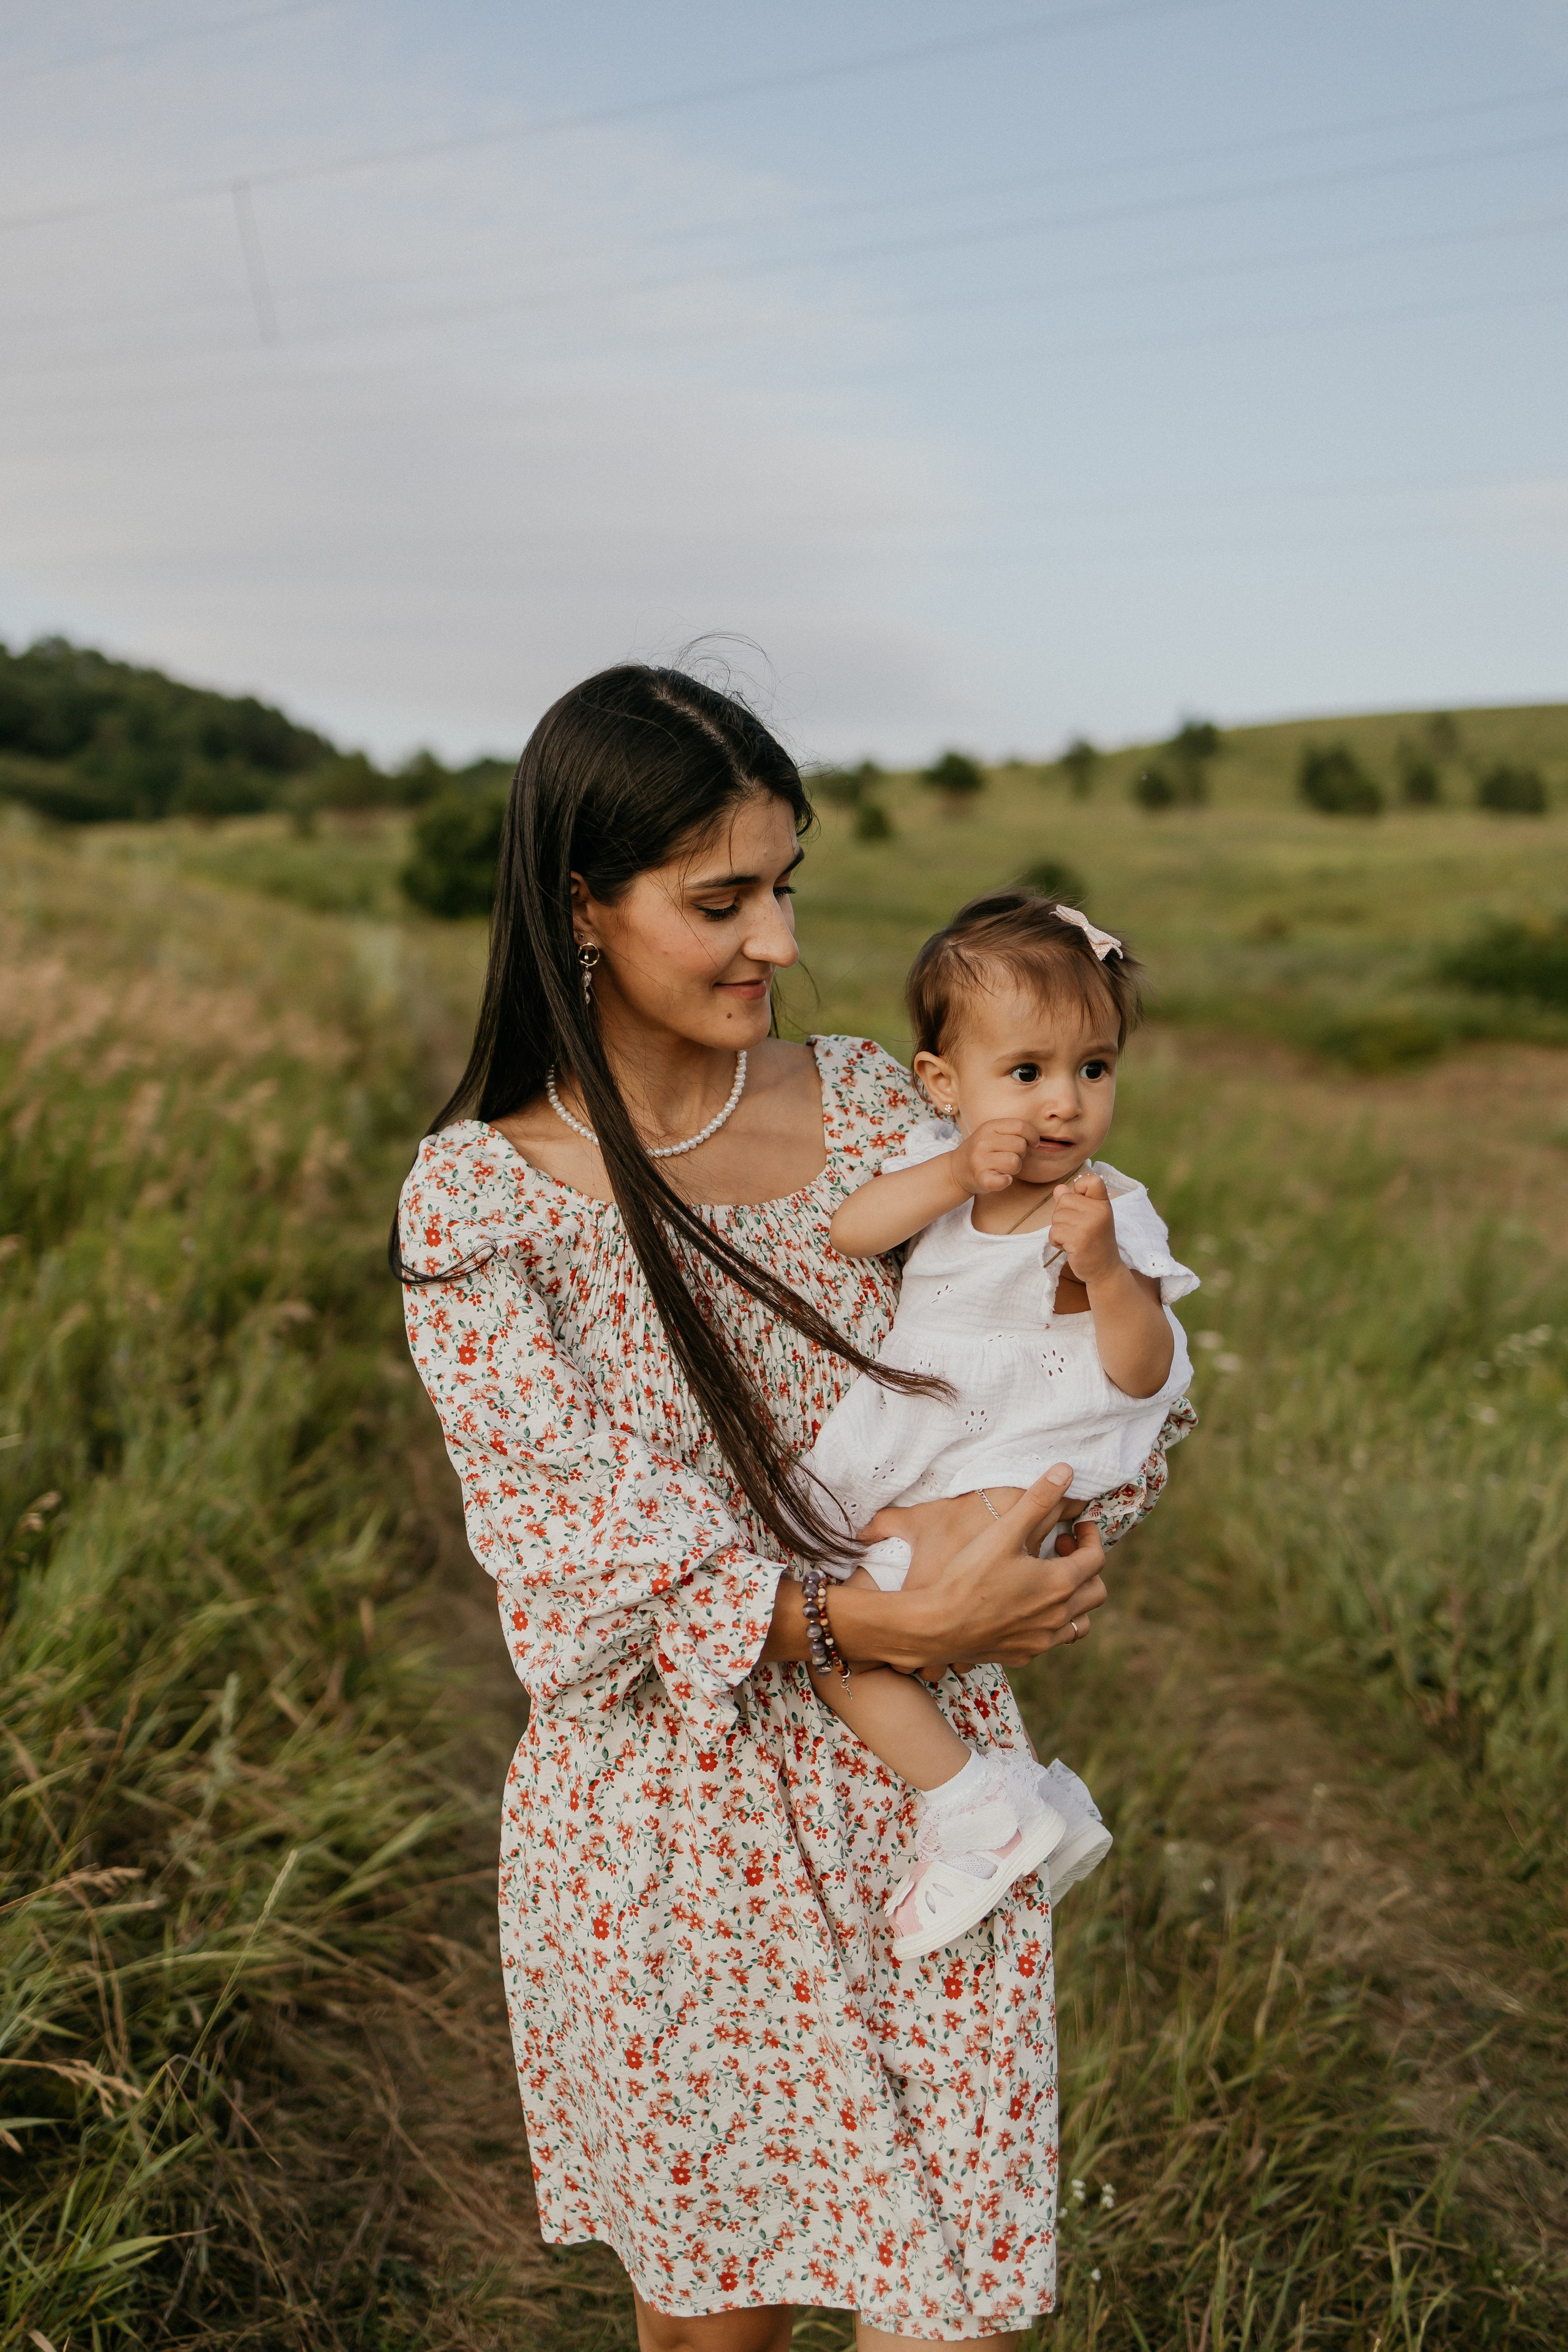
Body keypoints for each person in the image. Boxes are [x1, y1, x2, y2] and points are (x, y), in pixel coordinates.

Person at [396, 665, 1123, 2352]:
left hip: (927, 1796)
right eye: (720, 899)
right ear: (580, 905)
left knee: (957, 2306)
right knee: (718, 2322)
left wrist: (1052, 1523)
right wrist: (895, 1618)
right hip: (668, 1824)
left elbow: (1051, 1367)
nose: (778, 940)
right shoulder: (480, 1206)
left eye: (785, 887)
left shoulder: (888, 1105)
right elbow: (589, 1569)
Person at [797, 892, 1199, 1961]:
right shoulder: (946, 1168)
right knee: (836, 1605)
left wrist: (1106, 1271)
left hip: (1017, 1461)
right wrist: (946, 1171)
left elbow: (1143, 1370)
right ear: (946, 1085)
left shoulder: (1112, 1205)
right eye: (1026, 1074)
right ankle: (992, 1806)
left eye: (1094, 1069)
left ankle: (979, 1812)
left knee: (849, 1635)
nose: (1064, 1104)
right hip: (932, 1440)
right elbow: (850, 1232)